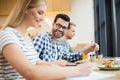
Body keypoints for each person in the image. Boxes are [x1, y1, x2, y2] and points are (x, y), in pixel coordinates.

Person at [0, 0, 93, 80]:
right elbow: (30, 72)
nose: (43, 18)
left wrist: (53, 64)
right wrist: (78, 70)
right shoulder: (7, 35)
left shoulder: (26, 38)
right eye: (40, 13)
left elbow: (38, 63)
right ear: (25, 9)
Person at [32, 13, 99, 62]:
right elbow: (30, 63)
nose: (60, 29)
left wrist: (89, 49)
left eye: (64, 27)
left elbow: (71, 56)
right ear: (53, 24)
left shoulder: (58, 45)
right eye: (58, 25)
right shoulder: (41, 39)